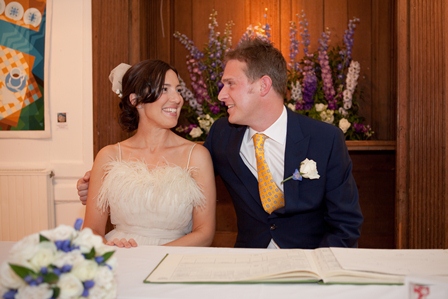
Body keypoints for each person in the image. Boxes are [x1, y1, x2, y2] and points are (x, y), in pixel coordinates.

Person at [79, 38, 363, 249]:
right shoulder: (223, 136)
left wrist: (321, 272)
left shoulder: (325, 139)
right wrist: (103, 186)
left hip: (309, 261)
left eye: (230, 84)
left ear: (262, 86)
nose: (220, 95)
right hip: (246, 263)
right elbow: (173, 178)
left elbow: (346, 224)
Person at [81, 59, 216, 248]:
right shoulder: (109, 156)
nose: (177, 99)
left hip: (175, 258)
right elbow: (91, 230)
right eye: (164, 89)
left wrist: (150, 257)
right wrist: (110, 247)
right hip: (122, 258)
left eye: (178, 89)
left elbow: (204, 233)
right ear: (135, 100)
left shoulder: (196, 156)